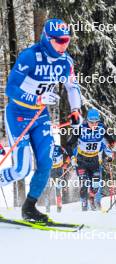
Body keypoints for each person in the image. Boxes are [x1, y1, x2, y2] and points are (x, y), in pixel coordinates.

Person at [0, 18, 82, 221]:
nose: (64, 45)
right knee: (21, 168)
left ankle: (29, 208)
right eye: (59, 41)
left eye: (67, 41)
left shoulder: (66, 62)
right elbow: (11, 89)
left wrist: (76, 111)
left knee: (46, 162)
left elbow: (72, 88)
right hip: (18, 114)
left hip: (40, 115)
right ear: (47, 39)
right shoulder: (29, 56)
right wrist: (37, 98)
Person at [66, 108, 116, 211]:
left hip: (94, 161)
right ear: (87, 121)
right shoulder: (80, 129)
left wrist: (111, 150)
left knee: (96, 185)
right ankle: (84, 204)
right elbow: (68, 144)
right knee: (84, 184)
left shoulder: (101, 128)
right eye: (91, 122)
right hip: (81, 161)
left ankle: (91, 197)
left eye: (96, 122)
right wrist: (72, 157)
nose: (94, 124)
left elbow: (110, 140)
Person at [50, 145, 70, 212]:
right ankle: (47, 207)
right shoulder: (45, 147)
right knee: (48, 188)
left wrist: (66, 163)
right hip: (50, 170)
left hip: (59, 169)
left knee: (58, 187)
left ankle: (59, 205)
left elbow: (69, 155)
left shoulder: (59, 147)